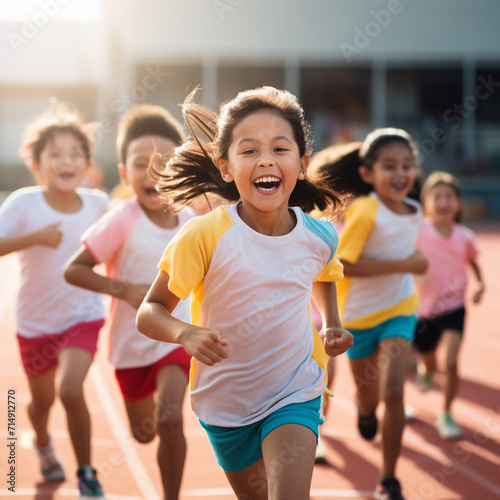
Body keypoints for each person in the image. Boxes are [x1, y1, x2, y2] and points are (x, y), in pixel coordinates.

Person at [136, 86, 353, 500]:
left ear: (302, 164)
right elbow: (150, 311)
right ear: (225, 167)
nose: (266, 160)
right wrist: (185, 333)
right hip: (225, 404)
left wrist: (332, 323)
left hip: (295, 391)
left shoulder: (320, 235)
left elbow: (326, 272)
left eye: (280, 148)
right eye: (249, 150)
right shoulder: (205, 235)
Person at [64, 104, 194, 500]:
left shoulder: (192, 221)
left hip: (176, 338)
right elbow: (75, 269)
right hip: (130, 343)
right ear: (124, 174)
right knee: (144, 433)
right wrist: (125, 291)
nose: (153, 171)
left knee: (171, 421)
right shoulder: (123, 218)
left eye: (165, 162)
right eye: (141, 163)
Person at [0, 108, 109, 498]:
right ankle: (43, 442)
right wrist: (34, 237)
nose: (67, 160)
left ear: (87, 164)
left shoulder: (99, 205)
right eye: (56, 154)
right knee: (41, 403)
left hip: (83, 317)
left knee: (71, 390)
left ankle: (86, 473)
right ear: (36, 165)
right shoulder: (23, 204)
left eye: (76, 153)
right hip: (34, 323)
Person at [316, 129, 428, 500]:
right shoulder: (365, 210)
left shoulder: (414, 209)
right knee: (370, 399)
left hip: (400, 311)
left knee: (395, 390)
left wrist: (409, 267)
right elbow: (343, 264)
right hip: (358, 318)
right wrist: (405, 263)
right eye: (389, 165)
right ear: (367, 174)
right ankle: (366, 412)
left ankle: (389, 479)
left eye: (406, 165)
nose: (400, 173)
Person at [413, 171, 484, 439]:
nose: (443, 202)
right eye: (437, 196)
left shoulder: (464, 235)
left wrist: (479, 284)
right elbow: (405, 258)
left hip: (455, 307)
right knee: (429, 360)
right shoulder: (419, 231)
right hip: (424, 310)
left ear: (458, 203)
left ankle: (446, 413)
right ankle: (426, 370)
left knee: (452, 361)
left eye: (448, 197)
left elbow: (474, 261)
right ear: (427, 202)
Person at [307, 141, 361, 463]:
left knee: (328, 378)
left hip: (336, 314)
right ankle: (309, 436)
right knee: (316, 378)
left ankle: (314, 435)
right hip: (305, 313)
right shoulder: (316, 218)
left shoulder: (361, 216)